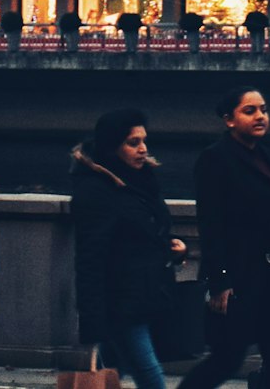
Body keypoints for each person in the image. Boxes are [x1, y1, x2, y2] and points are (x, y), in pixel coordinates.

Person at [178, 87, 270, 389]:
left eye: (263, 109)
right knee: (228, 357)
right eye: (250, 111)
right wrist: (220, 280)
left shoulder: (266, 155)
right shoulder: (215, 159)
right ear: (229, 120)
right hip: (240, 275)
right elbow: (210, 224)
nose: (260, 116)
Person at [71, 107, 185, 389]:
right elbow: (90, 259)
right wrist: (92, 322)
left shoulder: (143, 180)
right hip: (120, 302)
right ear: (112, 146)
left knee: (114, 372)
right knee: (150, 375)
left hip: (144, 295)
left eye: (144, 141)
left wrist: (173, 248)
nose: (143, 149)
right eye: (133, 143)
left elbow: (144, 234)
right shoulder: (96, 190)